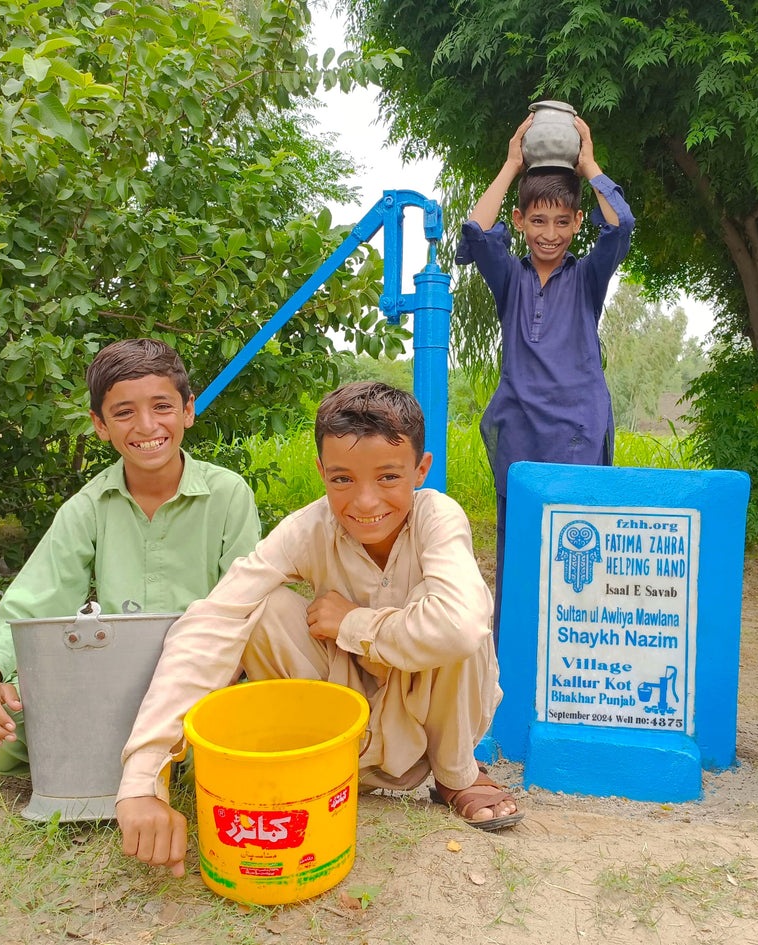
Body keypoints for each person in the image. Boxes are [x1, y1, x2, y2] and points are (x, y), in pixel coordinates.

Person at [116, 381, 520, 876]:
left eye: (389, 476)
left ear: (421, 470)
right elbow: (210, 620)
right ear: (321, 473)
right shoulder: (307, 529)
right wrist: (142, 774)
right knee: (254, 609)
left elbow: (458, 627)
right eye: (342, 479)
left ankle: (455, 774)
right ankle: (316, 763)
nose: (365, 501)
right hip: (344, 721)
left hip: (428, 711)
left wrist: (353, 623)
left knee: (461, 621)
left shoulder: (437, 517)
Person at [0, 339, 262, 776]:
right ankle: (137, 746)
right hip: (109, 681)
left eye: (162, 406)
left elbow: (245, 607)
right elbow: (30, 605)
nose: (147, 425)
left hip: (205, 680)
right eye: (124, 412)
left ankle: (139, 750)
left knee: (227, 740)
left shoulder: (229, 494)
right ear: (100, 425)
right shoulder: (87, 507)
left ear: (188, 411)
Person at [455, 113, 635, 643]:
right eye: (538, 221)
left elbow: (620, 225)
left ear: (577, 223)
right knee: (520, 547)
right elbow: (477, 230)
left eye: (561, 222)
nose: (549, 234)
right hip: (520, 431)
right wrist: (513, 163)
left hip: (577, 430)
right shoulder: (509, 276)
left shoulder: (587, 277)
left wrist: (589, 164)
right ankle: (511, 658)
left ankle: (577, 649)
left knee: (580, 546)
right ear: (521, 221)